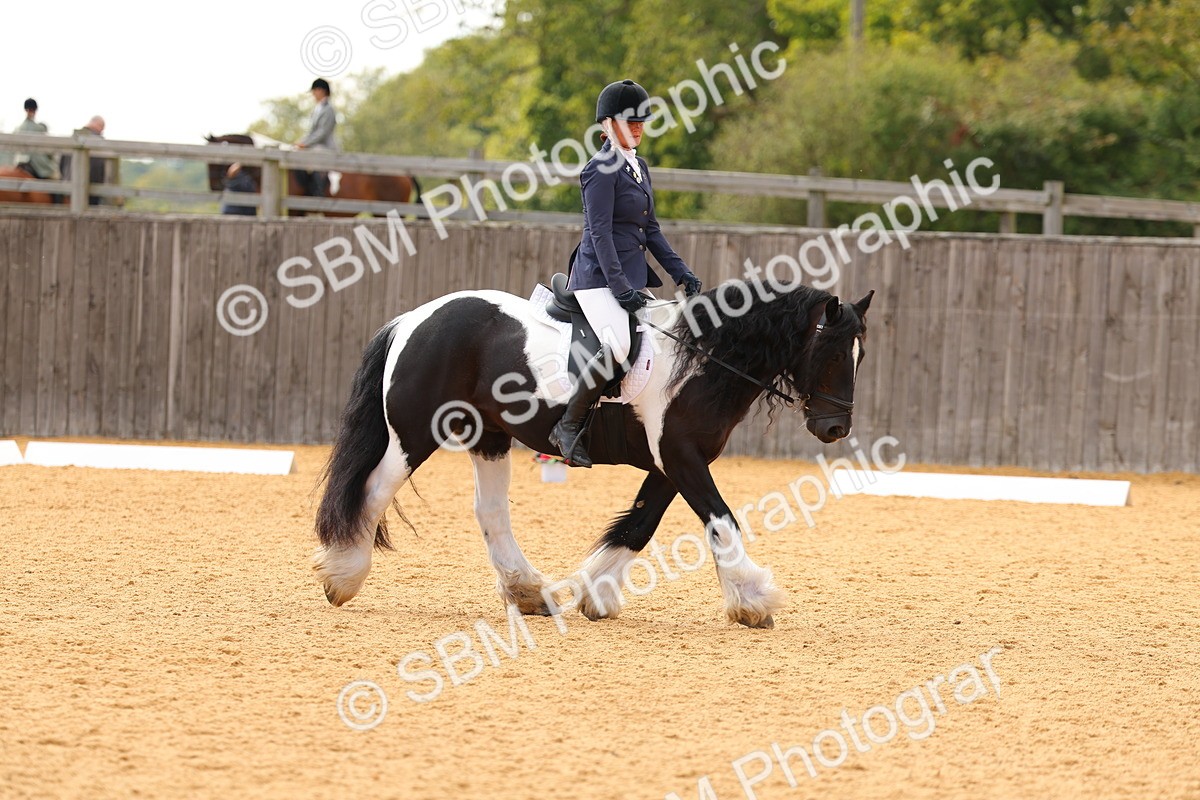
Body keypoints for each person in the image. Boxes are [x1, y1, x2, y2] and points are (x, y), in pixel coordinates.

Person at [549, 79, 704, 468]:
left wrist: (681, 273)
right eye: (628, 122)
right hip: (597, 277)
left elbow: (650, 231)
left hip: (629, 276)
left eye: (641, 122)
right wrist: (619, 288)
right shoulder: (600, 169)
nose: (637, 129)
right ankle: (567, 425)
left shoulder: (639, 167)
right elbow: (599, 233)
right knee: (618, 345)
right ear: (606, 124)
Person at [60, 116, 119, 206]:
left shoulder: (72, 138)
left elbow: (61, 164)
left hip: (67, 189)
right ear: (99, 126)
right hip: (89, 192)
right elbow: (99, 171)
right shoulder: (98, 143)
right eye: (102, 129)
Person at [295, 78, 338, 197]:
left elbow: (322, 132)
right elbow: (311, 132)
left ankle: (319, 191)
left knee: (316, 154)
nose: (313, 94)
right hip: (315, 144)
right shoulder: (317, 108)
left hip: (324, 146)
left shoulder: (329, 109)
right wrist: (301, 142)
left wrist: (306, 144)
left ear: (321, 90)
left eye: (314, 91)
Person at [12, 98, 57, 180]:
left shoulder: (18, 128)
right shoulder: (40, 128)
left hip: (19, 161)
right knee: (54, 177)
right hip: (37, 164)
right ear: (35, 110)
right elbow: (48, 151)